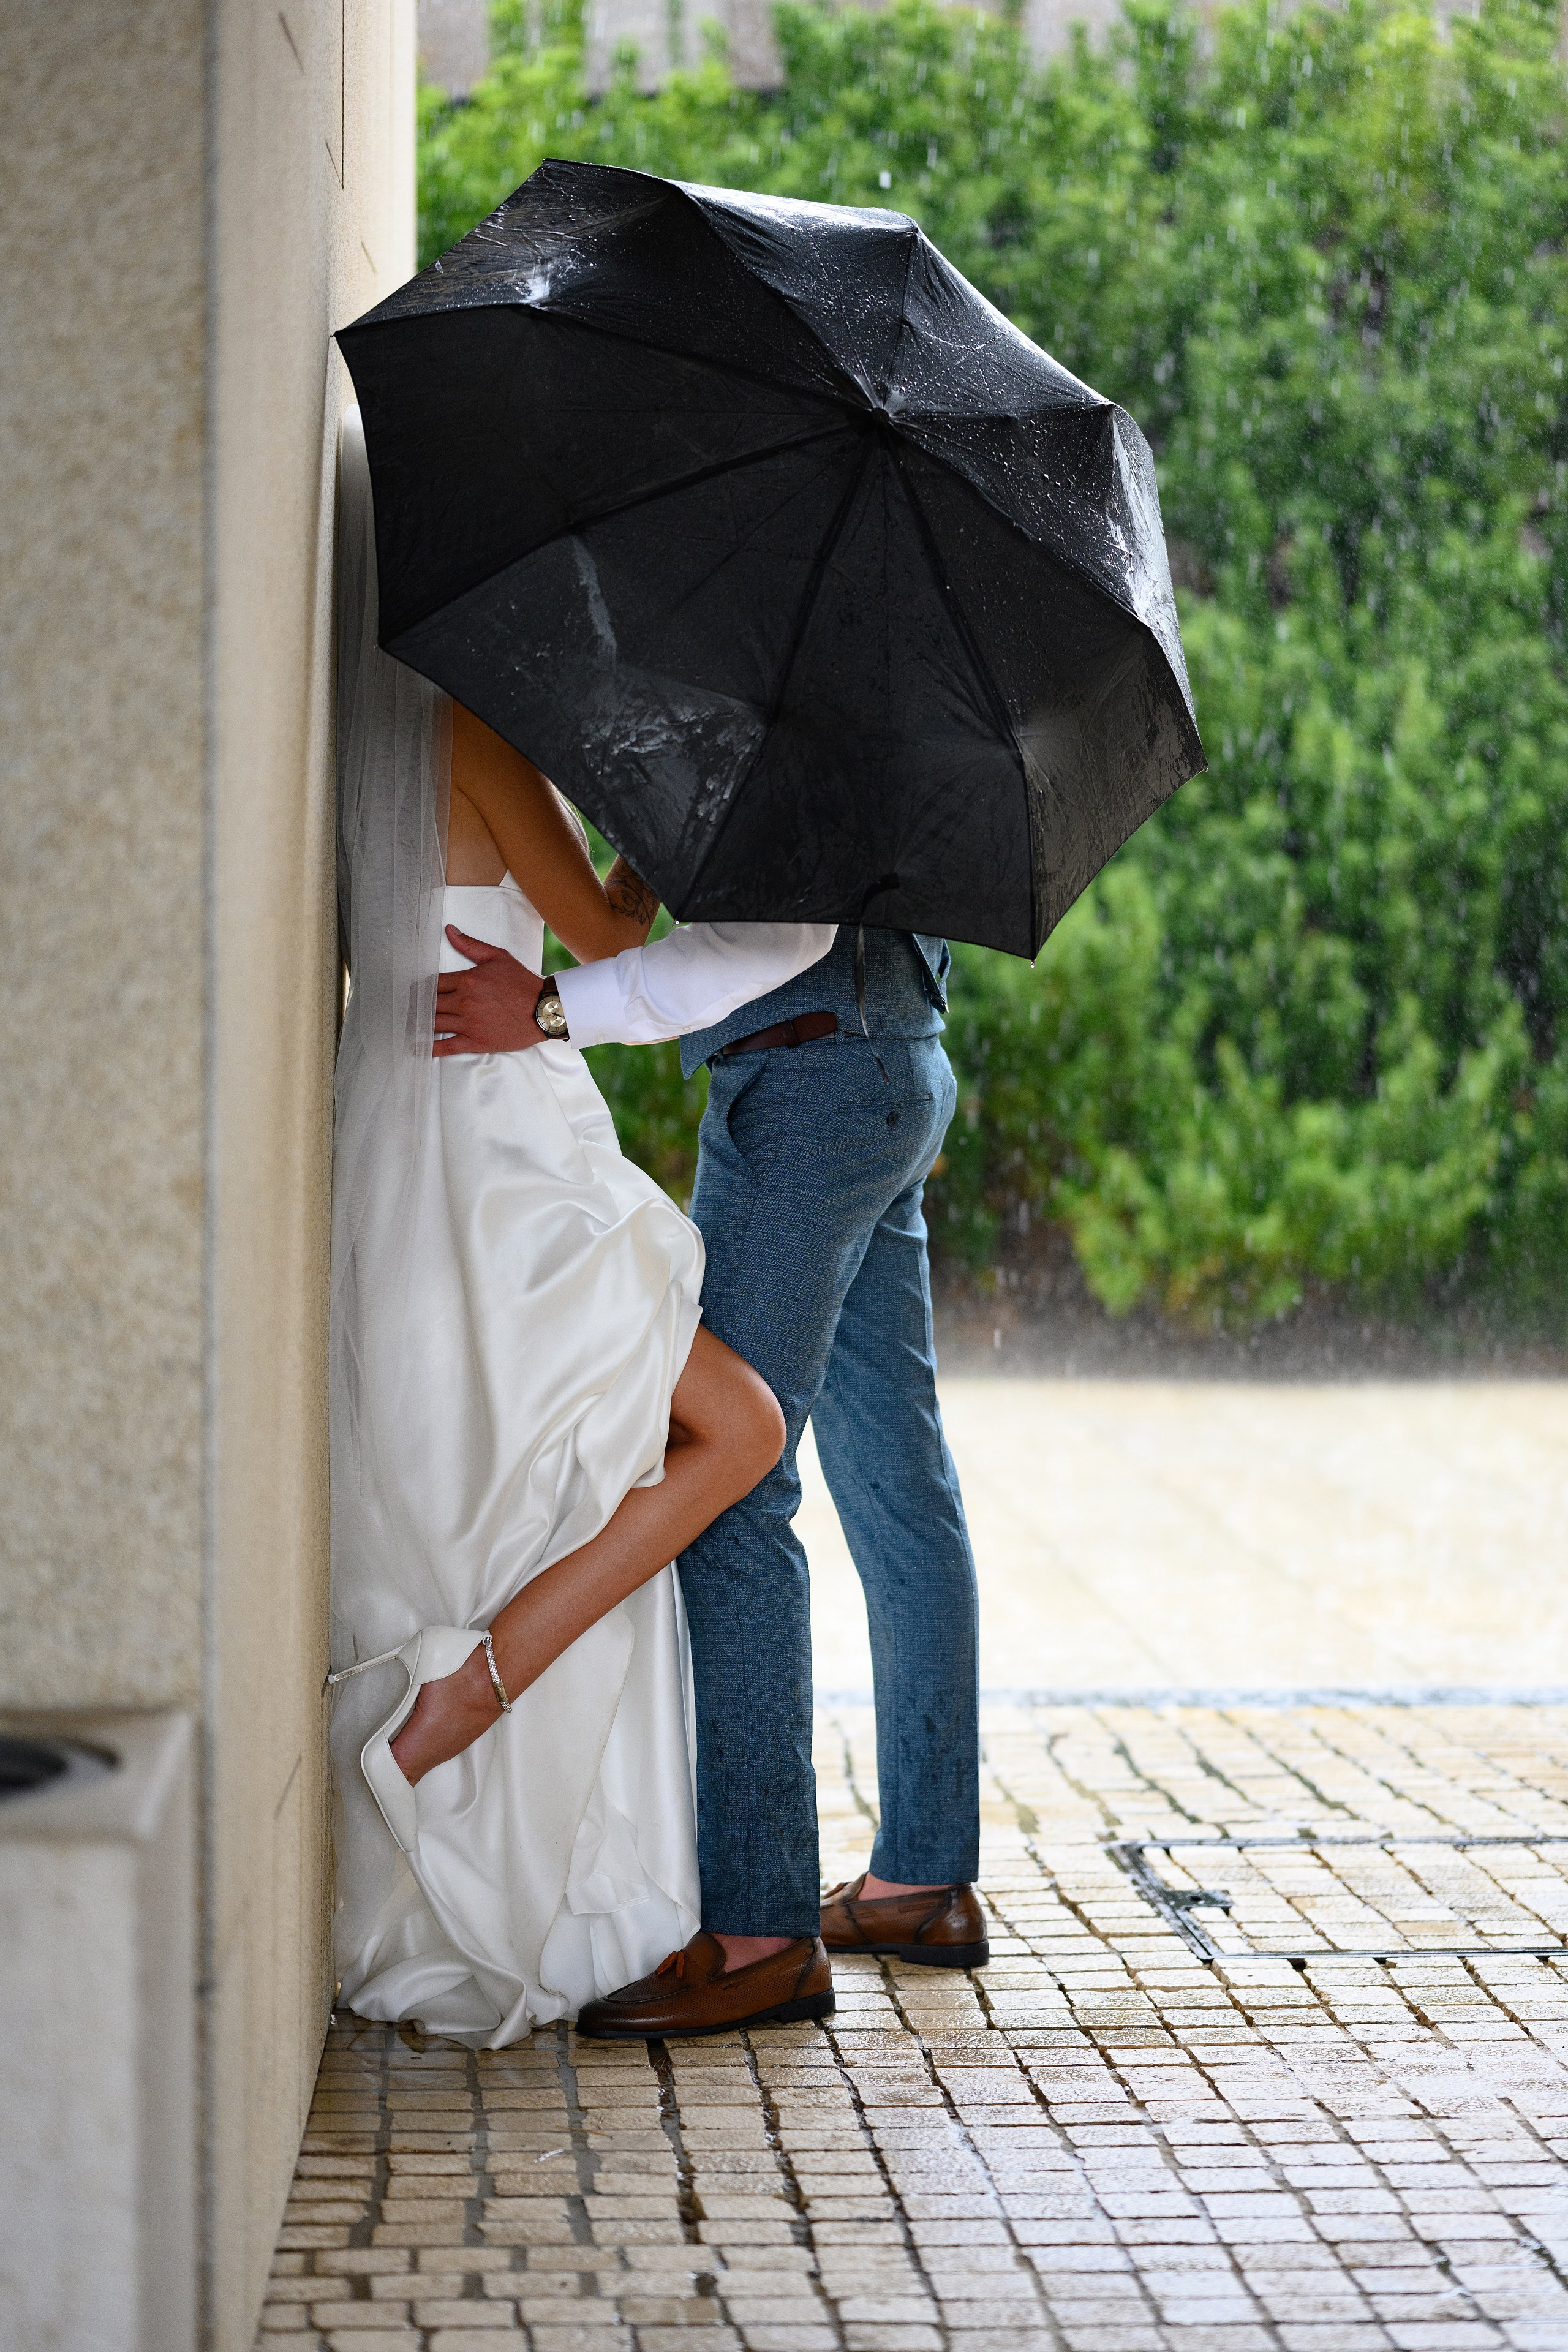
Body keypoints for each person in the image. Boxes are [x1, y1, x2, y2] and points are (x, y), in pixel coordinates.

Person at [330, 411, 828, 2046]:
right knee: (740, 1429)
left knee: (501, 1489)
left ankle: (457, 1719)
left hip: (409, 1156)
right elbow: (613, 924)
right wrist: (646, 826)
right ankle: (468, 1699)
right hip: (510, 1157)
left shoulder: (361, 730)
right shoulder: (475, 732)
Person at [435, 867, 988, 2040]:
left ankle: (757, 1934)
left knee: (729, 1479)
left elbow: (775, 936)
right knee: (900, 1481)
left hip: (809, 1090)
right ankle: (923, 1882)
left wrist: (547, 1010)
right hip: (890, 1064)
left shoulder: (814, 702)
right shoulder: (876, 698)